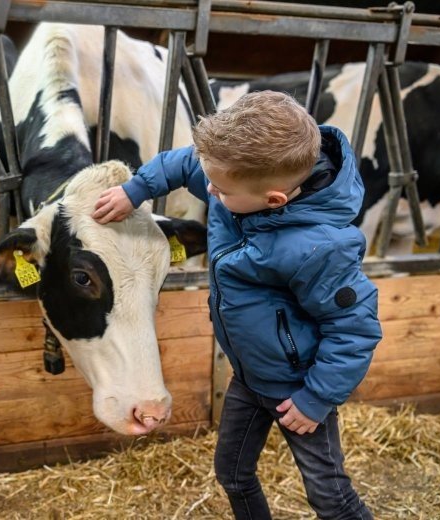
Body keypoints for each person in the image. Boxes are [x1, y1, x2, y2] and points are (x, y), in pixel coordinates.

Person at [92, 90, 382, 519]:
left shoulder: (318, 249)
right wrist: (135, 190)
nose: (209, 190)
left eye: (220, 189)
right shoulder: (237, 182)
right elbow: (186, 164)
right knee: (231, 474)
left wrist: (316, 398)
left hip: (296, 389)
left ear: (274, 199)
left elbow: (355, 329)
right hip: (247, 379)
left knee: (330, 498)